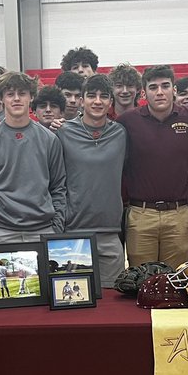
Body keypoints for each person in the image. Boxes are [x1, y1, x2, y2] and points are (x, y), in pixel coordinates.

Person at [118, 64, 188, 268]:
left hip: (179, 214)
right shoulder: (127, 121)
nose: (159, 92)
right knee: (141, 282)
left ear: (174, 90)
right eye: (153, 87)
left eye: (165, 86)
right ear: (143, 92)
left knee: (174, 282)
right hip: (140, 214)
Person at [0, 71, 67, 243]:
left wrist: (56, 227)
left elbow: (59, 187)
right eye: (10, 94)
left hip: (44, 230)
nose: (16, 99)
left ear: (31, 97)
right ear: (1, 99)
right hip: (2, 232)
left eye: (22, 93)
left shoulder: (49, 140)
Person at [59, 73, 127, 287]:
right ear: (81, 101)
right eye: (91, 96)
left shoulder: (121, 133)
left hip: (110, 232)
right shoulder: (62, 131)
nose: (97, 101)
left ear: (110, 102)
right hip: (73, 231)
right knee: (72, 300)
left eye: (103, 96)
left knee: (111, 304)